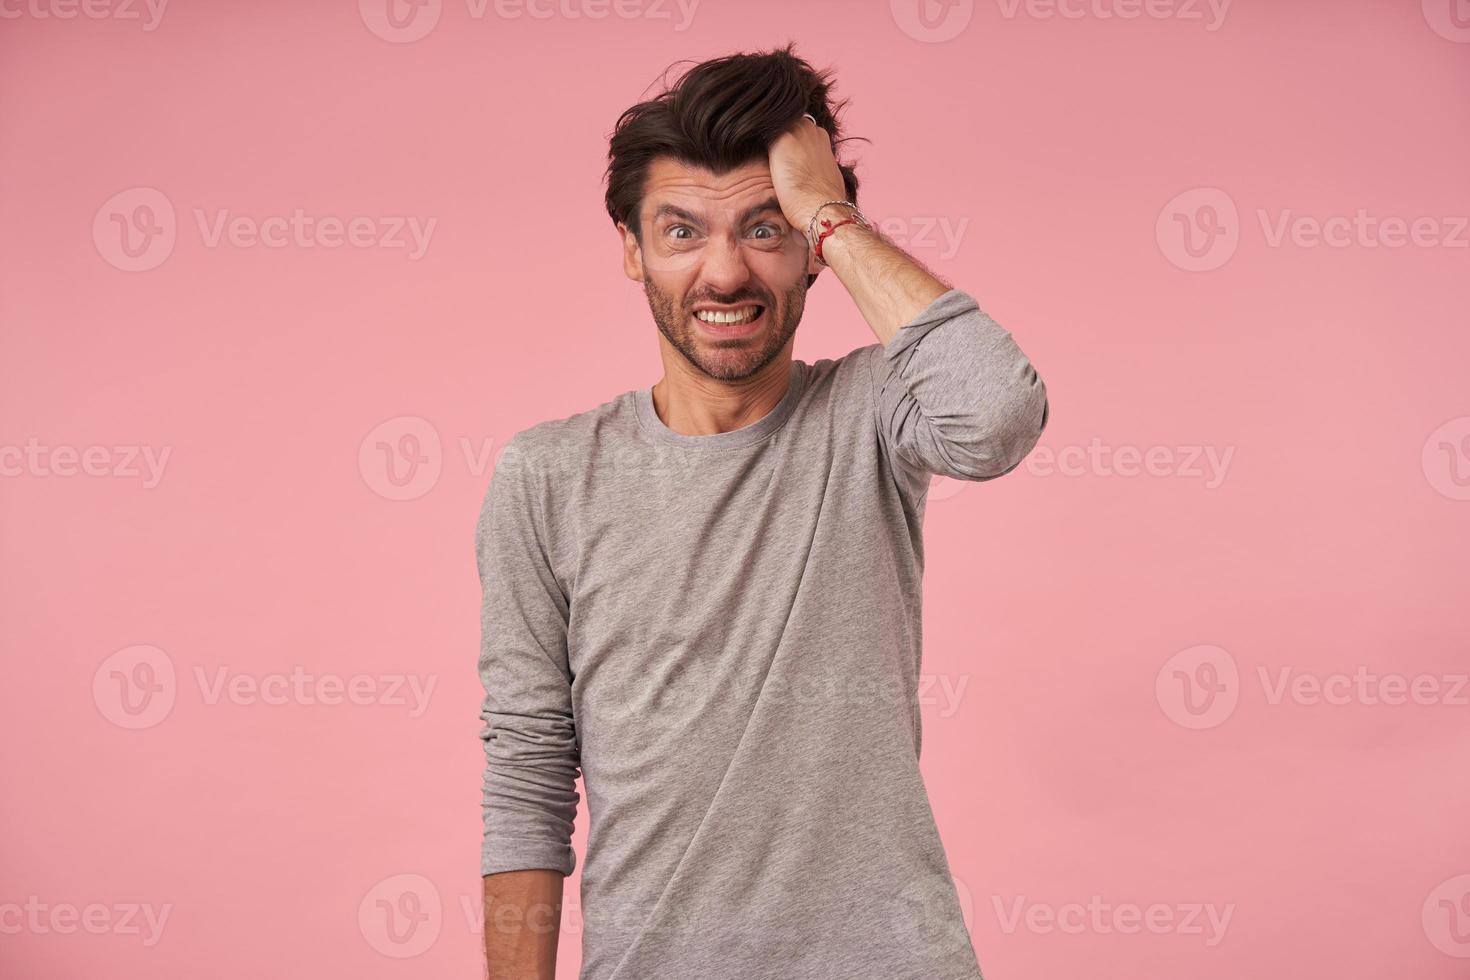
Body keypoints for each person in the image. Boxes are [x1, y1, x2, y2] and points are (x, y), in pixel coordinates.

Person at [477, 43, 1049, 980]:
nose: (727, 274)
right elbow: (529, 770)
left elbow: (998, 415)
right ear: (631, 249)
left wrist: (828, 212)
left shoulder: (872, 413)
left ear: (814, 253)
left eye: (766, 228)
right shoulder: (547, 474)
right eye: (682, 232)